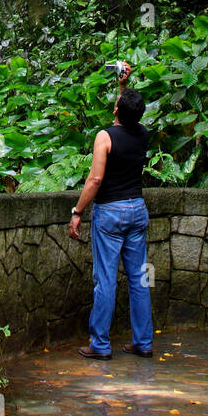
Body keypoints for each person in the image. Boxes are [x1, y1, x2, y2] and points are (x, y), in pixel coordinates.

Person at [69, 63, 153, 359]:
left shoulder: (105, 137)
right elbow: (128, 116)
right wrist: (123, 85)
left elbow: (95, 180)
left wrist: (77, 210)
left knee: (105, 279)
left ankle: (100, 345)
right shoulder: (143, 133)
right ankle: (143, 342)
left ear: (116, 110)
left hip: (110, 213)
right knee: (139, 279)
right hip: (137, 209)